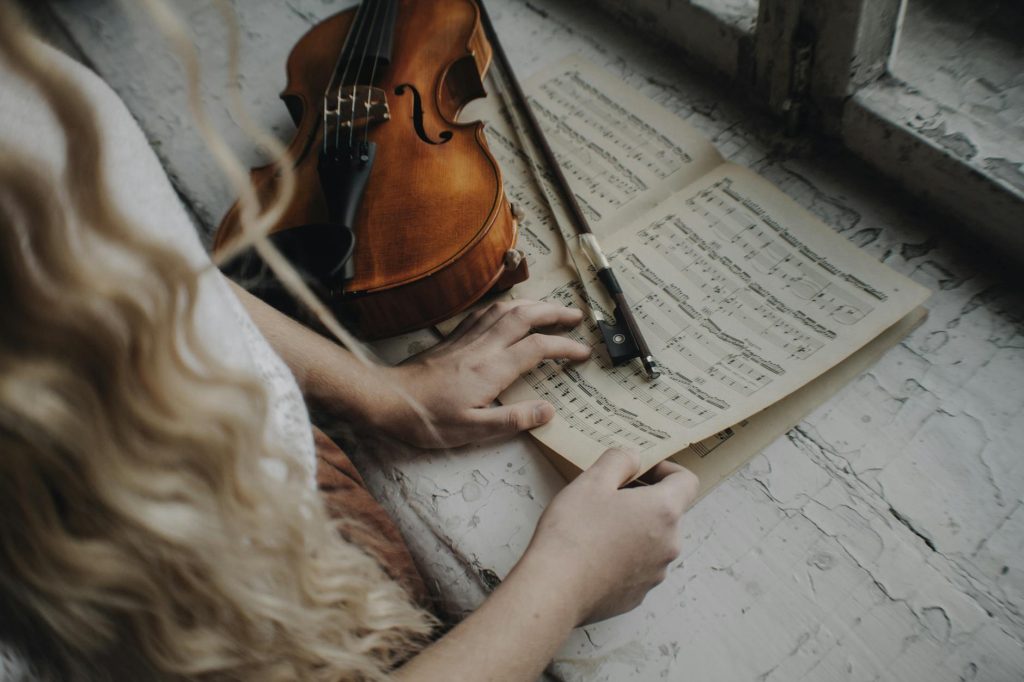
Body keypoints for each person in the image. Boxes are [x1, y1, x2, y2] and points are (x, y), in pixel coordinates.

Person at [0, 4, 699, 680]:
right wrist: (567, 581)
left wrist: (379, 388)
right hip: (231, 597)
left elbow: (151, 263)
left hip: (270, 478)